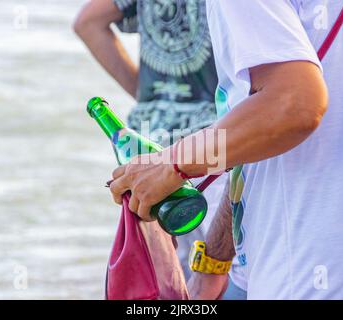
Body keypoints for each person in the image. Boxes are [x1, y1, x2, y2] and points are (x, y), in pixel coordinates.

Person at [108, 0, 343, 299]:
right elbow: (261, 143)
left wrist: (172, 163)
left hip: (318, 263)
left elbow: (293, 106)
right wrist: (215, 261)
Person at [73, 0, 247, 298]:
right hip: (216, 146)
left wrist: (150, 100)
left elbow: (88, 22)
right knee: (234, 275)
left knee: (172, 285)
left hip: (152, 152)